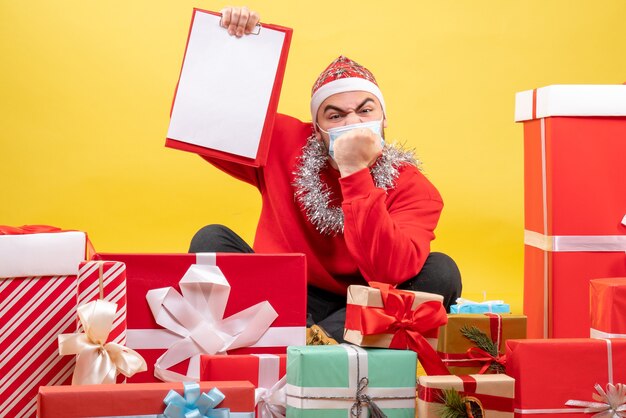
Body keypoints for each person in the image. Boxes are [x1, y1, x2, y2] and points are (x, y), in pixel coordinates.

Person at [189, 6, 462, 343]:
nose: (352, 124)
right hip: (281, 295)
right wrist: (231, 47)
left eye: (365, 110)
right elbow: (200, 126)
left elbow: (387, 272)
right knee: (211, 240)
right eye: (335, 115)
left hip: (363, 304)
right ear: (317, 129)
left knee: (441, 272)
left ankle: (309, 344)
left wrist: (354, 171)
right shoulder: (284, 141)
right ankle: (301, 337)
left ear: (384, 118)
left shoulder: (413, 187)